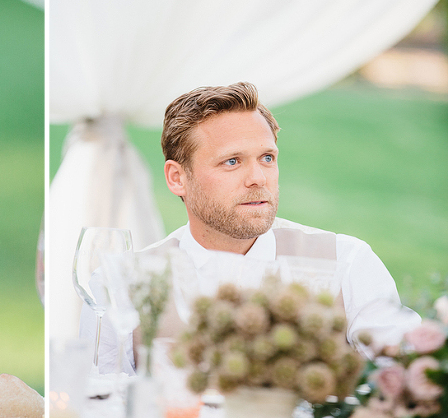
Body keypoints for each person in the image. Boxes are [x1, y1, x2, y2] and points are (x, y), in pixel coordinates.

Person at [85, 82, 419, 373]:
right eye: (232, 161)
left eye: (267, 158)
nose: (258, 178)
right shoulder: (122, 283)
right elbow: (97, 409)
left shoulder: (347, 262)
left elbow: (413, 374)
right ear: (177, 178)